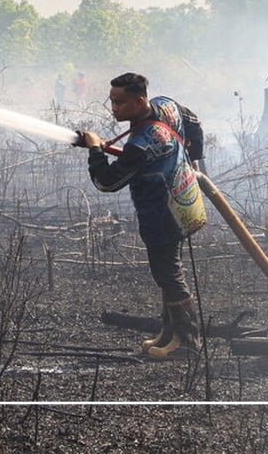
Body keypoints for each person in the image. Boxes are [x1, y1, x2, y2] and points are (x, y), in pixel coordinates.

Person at [75, 72, 205, 359]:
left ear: (139, 100)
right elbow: (193, 120)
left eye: (120, 103)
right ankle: (169, 333)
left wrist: (96, 149)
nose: (114, 108)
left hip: (162, 212)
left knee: (168, 272)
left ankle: (186, 343)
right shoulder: (165, 106)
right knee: (167, 272)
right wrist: (194, 159)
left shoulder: (144, 141)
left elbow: (106, 181)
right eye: (111, 101)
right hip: (182, 200)